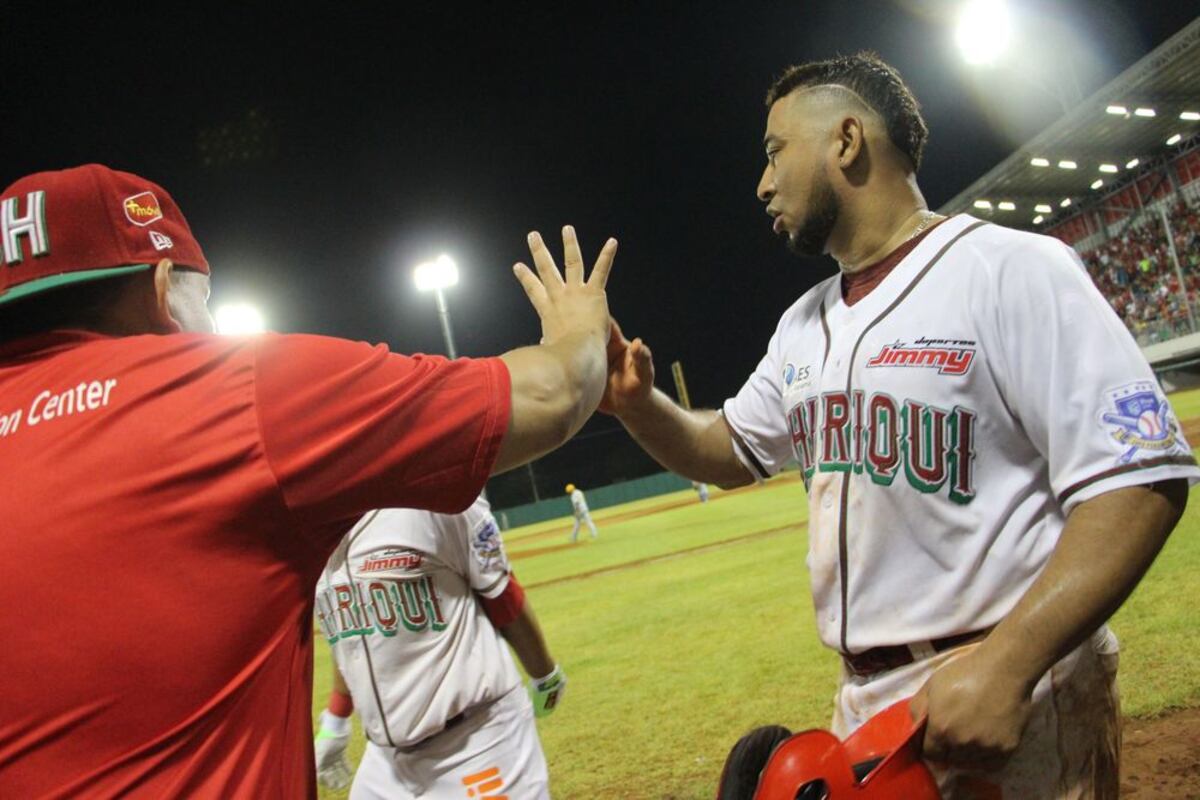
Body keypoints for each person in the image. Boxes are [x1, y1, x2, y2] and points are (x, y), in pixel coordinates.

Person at [599, 53, 1196, 798]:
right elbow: (727, 451)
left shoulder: (1009, 270)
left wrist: (1010, 664)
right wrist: (635, 403)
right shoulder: (802, 324)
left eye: (775, 151)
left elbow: (1142, 481)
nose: (762, 182)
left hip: (1008, 686)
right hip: (866, 706)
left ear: (846, 141)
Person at [0, 164, 616, 797]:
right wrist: (579, 326)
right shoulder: (232, 395)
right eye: (205, 300)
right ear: (162, 288)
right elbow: (556, 393)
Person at [311, 495, 565, 798]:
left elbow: (503, 598)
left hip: (477, 740)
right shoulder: (310, 534)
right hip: (385, 761)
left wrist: (543, 673)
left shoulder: (437, 503)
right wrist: (335, 721)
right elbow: (351, 635)